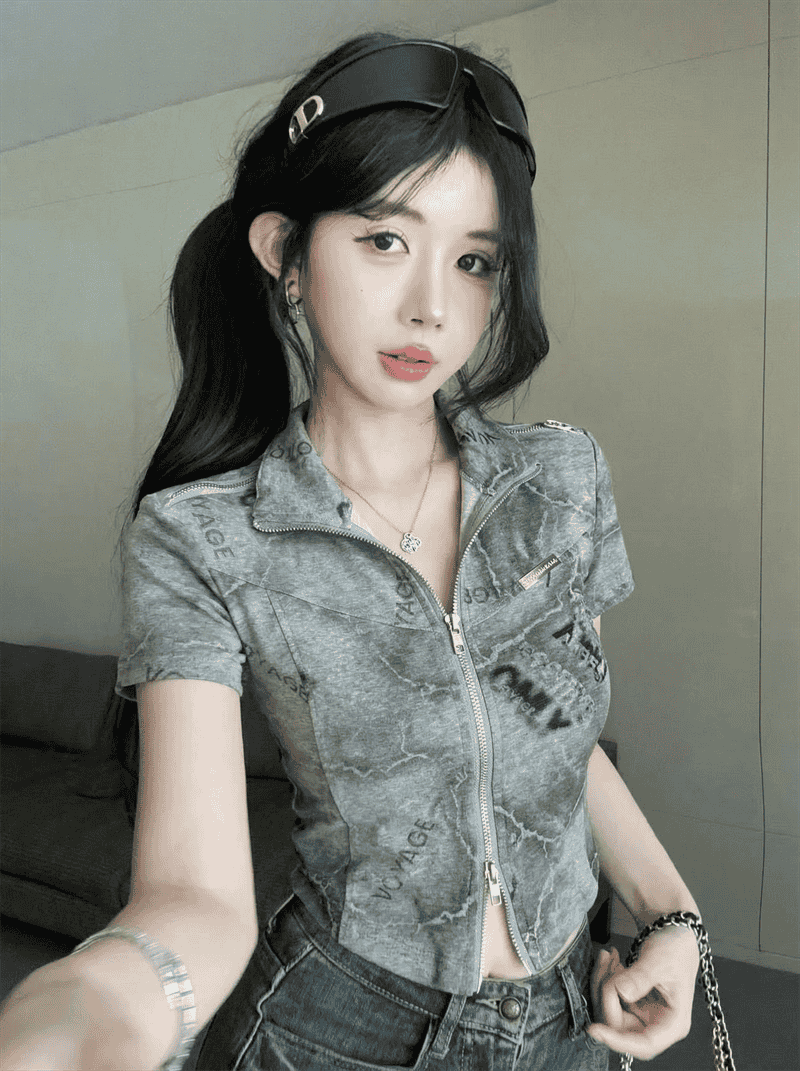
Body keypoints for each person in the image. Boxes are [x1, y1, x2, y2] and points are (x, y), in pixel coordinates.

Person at [0, 30, 705, 1071]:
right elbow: (192, 896)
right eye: (383, 240)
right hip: (342, 1027)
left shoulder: (559, 480)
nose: (432, 306)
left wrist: (673, 917)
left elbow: (552, 720)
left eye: (473, 260)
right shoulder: (202, 537)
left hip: (572, 1023)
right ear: (284, 252)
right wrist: (84, 1015)